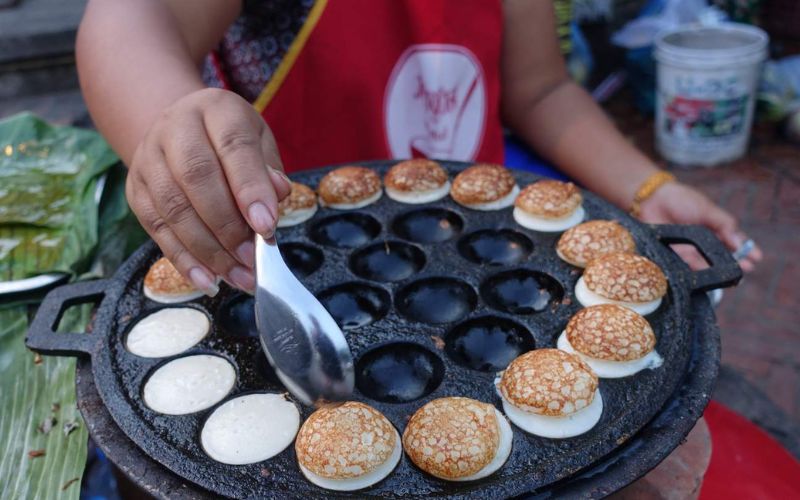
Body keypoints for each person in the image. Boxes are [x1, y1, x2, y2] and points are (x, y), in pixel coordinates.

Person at [75, 0, 761, 295]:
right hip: (298, 255)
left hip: (473, 249)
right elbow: (130, 20)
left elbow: (542, 92)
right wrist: (170, 119)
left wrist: (649, 188)